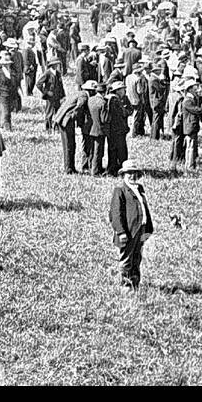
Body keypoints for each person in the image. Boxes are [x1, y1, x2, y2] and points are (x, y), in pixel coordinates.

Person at [109, 160, 154, 291]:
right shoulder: (120, 191)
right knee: (126, 259)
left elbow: (144, 209)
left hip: (141, 229)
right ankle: (126, 285)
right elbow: (115, 214)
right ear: (123, 175)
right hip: (128, 231)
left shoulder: (140, 189)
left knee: (137, 257)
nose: (132, 176)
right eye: (129, 173)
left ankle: (135, 283)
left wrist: (148, 229)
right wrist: (121, 232)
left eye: (134, 173)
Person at [86, 81, 110, 176]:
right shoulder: (103, 102)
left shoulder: (91, 100)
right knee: (99, 152)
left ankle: (91, 167)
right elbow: (105, 119)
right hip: (100, 130)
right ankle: (96, 171)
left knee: (93, 150)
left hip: (91, 128)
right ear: (104, 92)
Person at [38, 57, 65, 131]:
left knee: (58, 112)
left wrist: (63, 95)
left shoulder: (58, 73)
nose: (56, 65)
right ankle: (48, 128)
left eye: (57, 64)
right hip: (50, 97)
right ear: (52, 65)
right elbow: (38, 84)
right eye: (55, 64)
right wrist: (46, 92)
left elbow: (61, 85)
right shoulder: (47, 73)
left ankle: (57, 128)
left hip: (57, 96)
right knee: (49, 112)